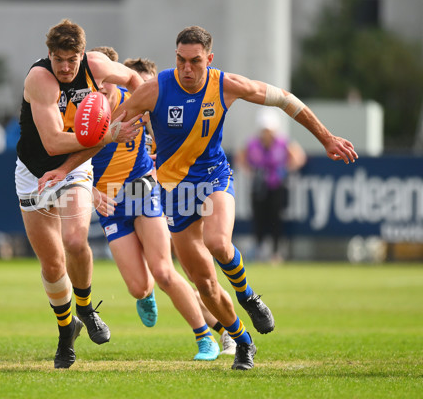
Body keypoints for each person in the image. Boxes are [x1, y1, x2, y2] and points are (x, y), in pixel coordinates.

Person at [107, 26, 358, 370]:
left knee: (219, 244)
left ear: (209, 60)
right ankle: (242, 341)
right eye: (181, 60)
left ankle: (248, 296)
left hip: (213, 180)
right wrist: (65, 167)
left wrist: (327, 138)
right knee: (206, 285)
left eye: (195, 61)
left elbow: (285, 99)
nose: (187, 69)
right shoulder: (155, 89)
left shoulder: (226, 85)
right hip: (174, 194)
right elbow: (102, 134)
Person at [14, 19, 145, 369]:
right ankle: (65, 331)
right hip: (33, 173)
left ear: (83, 54)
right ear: (49, 56)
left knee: (75, 241)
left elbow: (135, 80)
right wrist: (109, 133)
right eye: (59, 59)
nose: (66, 67)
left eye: (72, 59)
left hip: (74, 167)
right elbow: (54, 141)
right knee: (52, 263)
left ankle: (85, 307)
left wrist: (132, 112)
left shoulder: (97, 66)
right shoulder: (39, 79)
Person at [87, 46, 219, 360]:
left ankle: (205, 339)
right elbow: (71, 158)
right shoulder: (81, 111)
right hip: (112, 204)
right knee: (138, 287)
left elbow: (165, 128)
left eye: (106, 75)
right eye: (94, 77)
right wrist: (91, 191)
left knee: (164, 271)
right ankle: (145, 296)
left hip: (142, 189)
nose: (100, 83)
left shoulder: (130, 98)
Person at [122, 55, 237, 356]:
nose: (139, 92)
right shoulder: (129, 117)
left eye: (143, 84)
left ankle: (223, 332)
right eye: (132, 86)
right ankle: (145, 289)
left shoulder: (167, 111)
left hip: (176, 193)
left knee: (187, 272)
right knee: (159, 270)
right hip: (141, 191)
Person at [235, 108, 307, 264]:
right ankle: (258, 250)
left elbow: (299, 157)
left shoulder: (283, 142)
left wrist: (285, 169)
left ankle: (275, 252)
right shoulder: (252, 143)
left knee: (276, 218)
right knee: (258, 218)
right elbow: (240, 157)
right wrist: (250, 170)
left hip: (276, 186)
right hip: (259, 186)